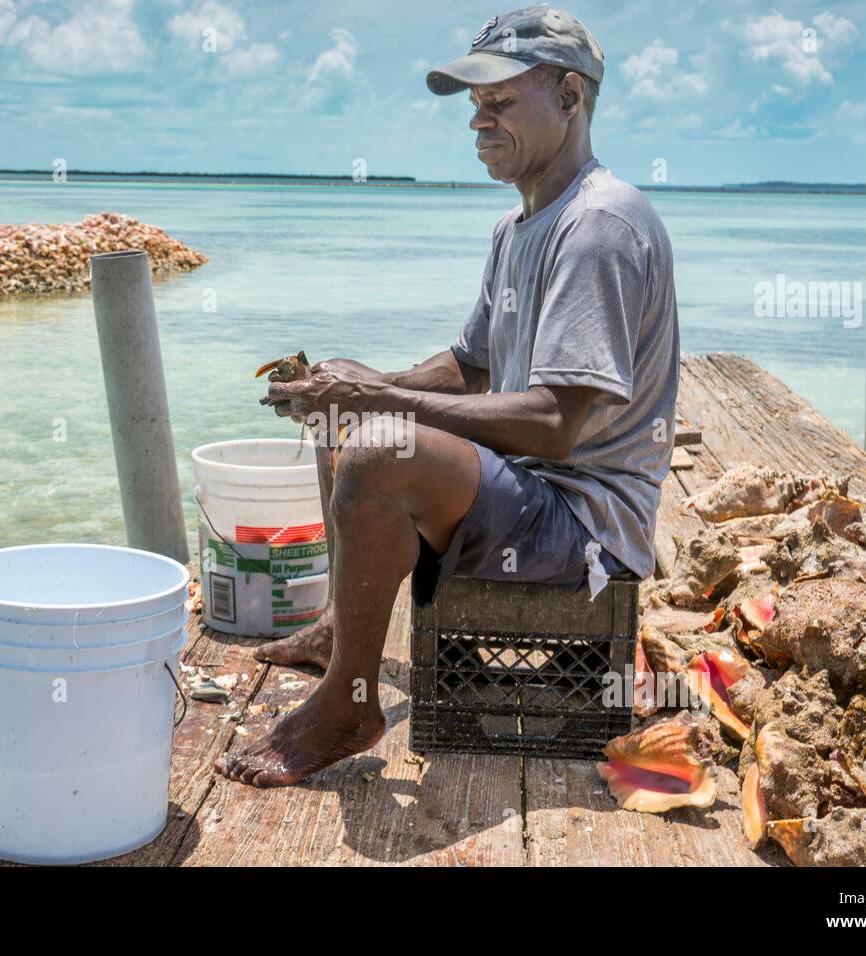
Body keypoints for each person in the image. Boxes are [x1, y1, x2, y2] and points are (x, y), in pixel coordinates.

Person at [214, 3, 680, 788]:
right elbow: (468, 367)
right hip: (533, 495)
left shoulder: (600, 225)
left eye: (499, 101)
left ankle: (348, 706)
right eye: (474, 104)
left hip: (589, 531)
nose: (478, 120)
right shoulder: (519, 225)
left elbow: (554, 427)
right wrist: (355, 382)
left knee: (377, 446)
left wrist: (378, 407)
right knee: (347, 418)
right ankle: (339, 629)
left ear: (570, 96)